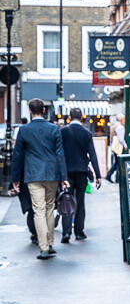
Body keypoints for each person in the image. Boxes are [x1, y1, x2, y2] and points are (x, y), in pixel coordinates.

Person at [11, 98, 69, 260]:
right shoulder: (54, 129)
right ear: (43, 110)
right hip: (52, 173)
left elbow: (18, 156)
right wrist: (64, 177)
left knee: (39, 210)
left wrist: (15, 178)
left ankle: (43, 247)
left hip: (33, 174)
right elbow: (60, 154)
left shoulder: (24, 130)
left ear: (30, 111)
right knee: (50, 208)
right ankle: (49, 244)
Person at [60, 107, 102, 243]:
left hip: (66, 172)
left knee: (66, 200)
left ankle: (66, 232)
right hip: (82, 171)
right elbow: (93, 155)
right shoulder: (87, 133)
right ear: (82, 117)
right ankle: (79, 232)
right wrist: (98, 175)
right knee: (80, 201)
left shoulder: (63, 132)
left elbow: (59, 154)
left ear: (69, 117)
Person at [106, 113, 127, 183]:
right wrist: (124, 145)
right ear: (121, 119)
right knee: (119, 163)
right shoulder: (120, 127)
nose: (124, 120)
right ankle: (114, 177)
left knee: (117, 163)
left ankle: (114, 177)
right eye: (123, 119)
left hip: (114, 147)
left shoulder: (114, 125)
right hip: (119, 147)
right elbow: (121, 139)